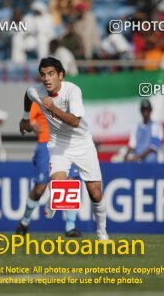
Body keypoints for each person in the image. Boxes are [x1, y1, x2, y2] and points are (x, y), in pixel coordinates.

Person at [19, 57, 108, 240]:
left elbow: (75, 121)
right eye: (43, 75)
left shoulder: (73, 90)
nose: (46, 79)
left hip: (82, 144)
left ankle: (101, 231)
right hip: (58, 143)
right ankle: (57, 203)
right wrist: (26, 118)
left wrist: (53, 108)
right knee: (59, 181)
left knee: (95, 193)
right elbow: (28, 96)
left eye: (51, 74)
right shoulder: (37, 91)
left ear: (61, 75)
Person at [16, 102, 82, 237]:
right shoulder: (37, 101)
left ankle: (71, 226)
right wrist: (32, 125)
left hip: (66, 145)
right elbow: (28, 122)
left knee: (70, 181)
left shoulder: (69, 99)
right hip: (46, 145)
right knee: (40, 188)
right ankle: (24, 222)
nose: (47, 79)